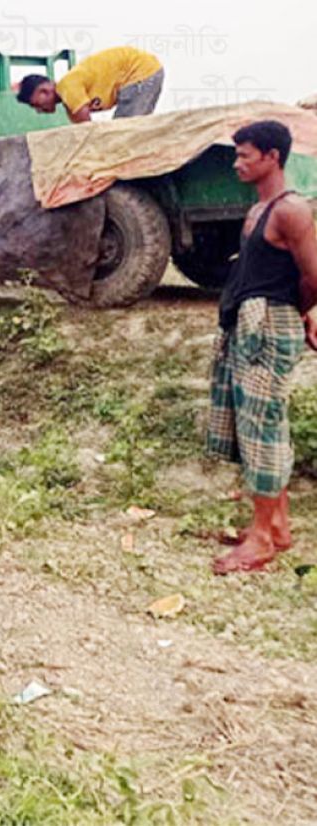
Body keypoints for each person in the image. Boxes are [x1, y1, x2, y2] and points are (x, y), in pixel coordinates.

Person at [206, 120, 317, 575]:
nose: (237, 164)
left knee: (263, 431)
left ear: (272, 157)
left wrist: (297, 311)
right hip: (249, 325)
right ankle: (277, 529)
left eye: (244, 155)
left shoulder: (292, 211)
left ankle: (260, 540)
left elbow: (313, 275)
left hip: (269, 327)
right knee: (255, 429)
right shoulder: (257, 212)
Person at [16, 46, 164, 123]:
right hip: (144, 73)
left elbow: (88, 132)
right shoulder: (70, 104)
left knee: (124, 132)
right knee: (127, 131)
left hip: (140, 72)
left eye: (36, 104)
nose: (39, 110)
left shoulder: (67, 87)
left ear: (44, 91)